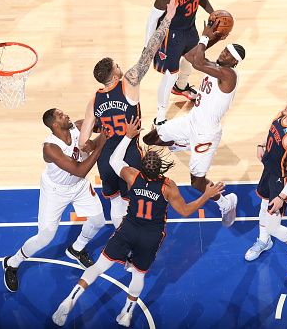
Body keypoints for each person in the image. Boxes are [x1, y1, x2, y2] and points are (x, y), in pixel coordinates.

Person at [52, 117, 224, 327]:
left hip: (128, 230)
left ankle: (70, 298)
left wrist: (127, 136)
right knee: (138, 274)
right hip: (150, 237)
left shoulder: (133, 176)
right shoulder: (167, 186)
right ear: (161, 169)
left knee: (98, 267)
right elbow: (186, 211)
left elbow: (115, 160)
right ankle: (126, 313)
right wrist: (207, 195)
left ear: (142, 166)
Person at [78, 0, 177, 229]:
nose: (121, 67)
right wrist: (168, 19)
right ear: (114, 74)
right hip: (128, 153)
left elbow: (83, 142)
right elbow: (150, 51)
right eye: (117, 66)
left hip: (105, 157)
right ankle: (131, 240)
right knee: (133, 202)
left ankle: (118, 237)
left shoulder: (94, 98)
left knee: (114, 202)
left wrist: (97, 144)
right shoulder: (129, 82)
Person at [141, 20, 244, 226]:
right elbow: (190, 56)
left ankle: (225, 203)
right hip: (191, 121)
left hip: (206, 133)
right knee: (151, 137)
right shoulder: (215, 66)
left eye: (228, 56)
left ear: (234, 63)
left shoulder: (228, 75)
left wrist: (206, 36)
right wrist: (215, 37)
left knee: (196, 182)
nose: (223, 55)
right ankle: (182, 143)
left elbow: (197, 62)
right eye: (224, 51)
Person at [2, 109, 108, 292]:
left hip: (79, 186)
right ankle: (12, 263)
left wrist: (106, 128)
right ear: (55, 125)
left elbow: (99, 130)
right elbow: (80, 169)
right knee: (45, 236)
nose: (66, 115)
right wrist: (101, 145)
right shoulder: (50, 147)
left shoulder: (79, 127)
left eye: (64, 113)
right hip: (55, 191)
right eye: (61, 116)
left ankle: (77, 248)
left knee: (98, 221)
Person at [244, 95, 287, 273]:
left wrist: (282, 196)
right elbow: (270, 131)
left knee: (273, 226)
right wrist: (261, 145)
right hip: (268, 170)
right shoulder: (281, 115)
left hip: (281, 180)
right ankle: (264, 241)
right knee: (262, 207)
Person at [144, 0, 216, 126]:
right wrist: (148, 45)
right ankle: (160, 116)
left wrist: (212, 12)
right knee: (170, 75)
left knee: (192, 59)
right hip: (171, 34)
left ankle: (181, 87)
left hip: (190, 28)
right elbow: (153, 18)